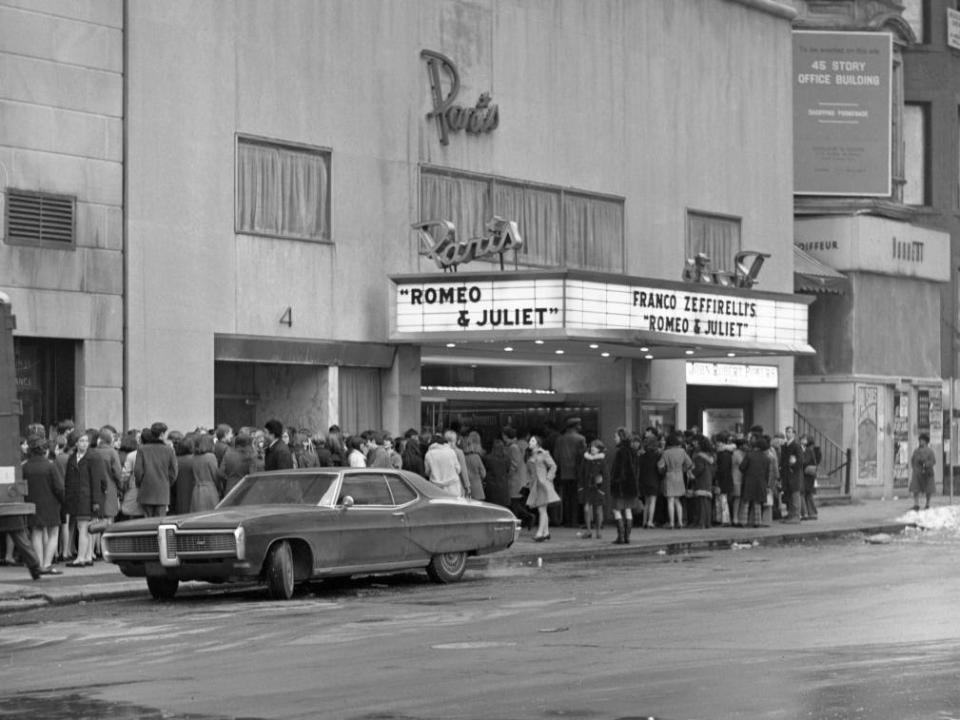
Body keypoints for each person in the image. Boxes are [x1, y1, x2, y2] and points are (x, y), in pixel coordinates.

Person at [65, 429, 107, 567]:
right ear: (75, 443)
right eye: (81, 441)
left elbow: (98, 480)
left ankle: (81, 558)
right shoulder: (72, 458)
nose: (84, 444)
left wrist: (96, 501)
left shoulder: (93, 457)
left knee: (83, 527)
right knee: (84, 528)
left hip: (87, 497)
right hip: (77, 498)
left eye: (86, 441)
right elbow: (68, 481)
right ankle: (87, 556)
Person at [23, 434, 64, 574]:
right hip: (51, 504)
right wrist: (63, 501)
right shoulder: (50, 466)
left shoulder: (25, 467)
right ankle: (47, 564)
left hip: (32, 504)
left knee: (36, 532)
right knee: (53, 533)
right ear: (45, 451)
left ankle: (38, 564)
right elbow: (59, 488)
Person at [134, 423, 179, 517]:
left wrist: (140, 484)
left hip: (146, 490)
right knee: (160, 522)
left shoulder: (142, 449)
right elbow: (173, 472)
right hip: (162, 491)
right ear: (162, 434)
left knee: (147, 523)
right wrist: (166, 483)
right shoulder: (169, 450)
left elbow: (138, 471)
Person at [551, 417, 586, 528]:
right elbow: (583, 455)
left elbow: (556, 456)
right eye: (579, 425)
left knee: (566, 497)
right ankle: (574, 521)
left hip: (563, 472)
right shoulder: (580, 439)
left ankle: (566, 520)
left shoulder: (560, 439)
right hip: (576, 471)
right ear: (575, 426)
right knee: (575, 497)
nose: (580, 427)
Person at [525, 434, 559, 542]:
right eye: (530, 441)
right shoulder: (530, 455)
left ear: (538, 443)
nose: (530, 443)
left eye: (533, 441)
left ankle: (540, 533)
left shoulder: (543, 453)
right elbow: (530, 472)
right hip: (535, 485)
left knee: (541, 509)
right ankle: (546, 532)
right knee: (543, 509)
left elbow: (553, 466)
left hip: (543, 484)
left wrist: (548, 478)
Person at [610, 429, 640, 543]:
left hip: (620, 487)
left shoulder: (620, 452)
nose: (614, 438)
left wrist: (614, 481)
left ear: (621, 437)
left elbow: (618, 471)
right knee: (628, 510)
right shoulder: (633, 451)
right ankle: (627, 537)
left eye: (616, 436)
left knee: (616, 510)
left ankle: (621, 537)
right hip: (631, 487)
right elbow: (636, 470)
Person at [659, 432, 693, 529]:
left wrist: (663, 471)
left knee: (670, 500)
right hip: (679, 476)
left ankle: (672, 523)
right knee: (678, 500)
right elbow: (690, 463)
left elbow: (660, 465)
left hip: (669, 476)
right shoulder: (682, 451)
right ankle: (680, 523)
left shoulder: (666, 452)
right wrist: (683, 470)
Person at [502, 427, 534, 530]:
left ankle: (526, 518)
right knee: (514, 502)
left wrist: (508, 475)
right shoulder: (513, 446)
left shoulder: (513, 447)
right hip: (517, 478)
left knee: (514, 502)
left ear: (506, 436)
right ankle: (526, 519)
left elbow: (515, 464)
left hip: (515, 479)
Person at [739, 434, 771, 528]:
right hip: (761, 482)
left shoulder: (749, 455)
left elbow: (742, 467)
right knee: (757, 503)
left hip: (749, 481)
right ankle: (757, 522)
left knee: (746, 502)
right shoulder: (766, 459)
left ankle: (743, 521)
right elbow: (767, 473)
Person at [578, 439, 607, 539]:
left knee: (598, 510)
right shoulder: (586, 459)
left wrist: (603, 489)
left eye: (595, 447)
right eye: (592, 446)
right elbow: (581, 473)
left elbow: (606, 475)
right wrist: (580, 487)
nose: (592, 448)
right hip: (587, 487)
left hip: (598, 488)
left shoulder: (602, 461)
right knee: (586, 509)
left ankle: (598, 531)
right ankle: (589, 531)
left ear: (599, 449)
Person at [424, 433, 462, 497]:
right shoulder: (451, 452)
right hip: (453, 488)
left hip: (436, 489)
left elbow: (427, 472)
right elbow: (458, 469)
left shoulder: (428, 454)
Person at [637, 429, 662, 529]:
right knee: (653, 501)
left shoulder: (642, 455)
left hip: (644, 480)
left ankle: (644, 521)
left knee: (646, 502)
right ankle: (650, 521)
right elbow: (659, 468)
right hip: (654, 480)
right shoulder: (657, 455)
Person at [219, 431, 257, 496]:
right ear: (247, 444)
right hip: (244, 488)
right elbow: (252, 475)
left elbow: (221, 473)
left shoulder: (228, 454)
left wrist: (228, 479)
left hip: (229, 487)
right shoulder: (250, 456)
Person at [690, 435, 715, 529]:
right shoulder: (711, 457)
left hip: (701, 480)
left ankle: (701, 523)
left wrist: (692, 474)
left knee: (701, 502)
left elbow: (699, 468)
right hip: (708, 479)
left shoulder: (699, 457)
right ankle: (707, 522)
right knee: (707, 502)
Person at [117, 430, 143, 521]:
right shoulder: (135, 455)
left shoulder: (119, 455)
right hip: (133, 492)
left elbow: (123, 476)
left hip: (126, 492)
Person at [191, 433, 221, 512]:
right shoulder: (211, 457)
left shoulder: (194, 457)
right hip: (210, 489)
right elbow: (215, 475)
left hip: (196, 489)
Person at [779, 427, 803, 524]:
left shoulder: (796, 446)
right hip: (786, 474)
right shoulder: (785, 446)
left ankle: (796, 516)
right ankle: (790, 514)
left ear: (794, 434)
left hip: (793, 474)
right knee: (788, 494)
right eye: (786, 432)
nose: (787, 434)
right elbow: (782, 459)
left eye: (789, 432)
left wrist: (793, 465)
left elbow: (800, 460)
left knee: (795, 495)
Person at [909, 432, 937, 512]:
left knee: (928, 489)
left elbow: (933, 461)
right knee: (915, 488)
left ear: (926, 441)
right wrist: (914, 468)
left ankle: (927, 504)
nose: (920, 442)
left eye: (922, 440)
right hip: (917, 473)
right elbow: (913, 460)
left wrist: (925, 464)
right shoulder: (916, 451)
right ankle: (916, 504)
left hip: (927, 472)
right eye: (920, 440)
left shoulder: (930, 451)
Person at [481, 438, 511, 508]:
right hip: (503, 488)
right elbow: (508, 470)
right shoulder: (507, 459)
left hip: (491, 488)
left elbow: (484, 472)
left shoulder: (487, 458)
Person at [799, 434, 819, 520]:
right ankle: (805, 513)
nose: (804, 441)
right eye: (803, 439)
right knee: (803, 493)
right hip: (801, 474)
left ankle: (811, 513)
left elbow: (813, 461)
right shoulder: (799, 449)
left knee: (808, 493)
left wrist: (813, 470)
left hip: (808, 474)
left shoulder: (809, 450)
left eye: (805, 439)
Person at [463, 431, 486, 500]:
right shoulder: (478, 456)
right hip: (477, 488)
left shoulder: (462, 457)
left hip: (466, 489)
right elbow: (483, 474)